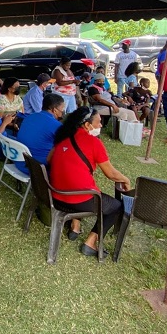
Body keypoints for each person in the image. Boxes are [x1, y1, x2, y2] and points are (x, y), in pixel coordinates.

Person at [48, 107, 131, 256]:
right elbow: (111, 174)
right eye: (99, 122)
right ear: (87, 125)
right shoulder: (93, 142)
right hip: (76, 201)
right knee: (116, 207)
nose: (100, 125)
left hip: (55, 197)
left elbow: (49, 160)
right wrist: (125, 179)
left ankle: (75, 225)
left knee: (79, 185)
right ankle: (90, 243)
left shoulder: (63, 138)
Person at [15, 93, 64, 174]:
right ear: (54, 110)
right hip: (36, 167)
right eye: (62, 110)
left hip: (18, 160)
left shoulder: (30, 116)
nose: (63, 112)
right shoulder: (56, 125)